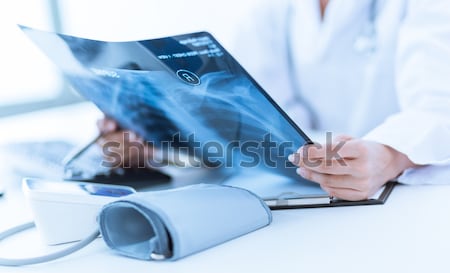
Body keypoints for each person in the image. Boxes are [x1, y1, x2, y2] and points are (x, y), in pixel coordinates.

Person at [98, 0, 450, 201]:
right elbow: (245, 120)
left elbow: (438, 107)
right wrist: (156, 142)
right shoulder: (274, 10)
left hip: (401, 202)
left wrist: (388, 155)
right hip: (297, 192)